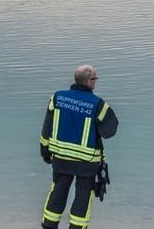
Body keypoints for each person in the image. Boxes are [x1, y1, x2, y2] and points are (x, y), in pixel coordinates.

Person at [39, 65, 119, 229]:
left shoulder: (57, 97)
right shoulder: (98, 104)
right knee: (83, 197)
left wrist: (45, 151)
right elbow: (110, 131)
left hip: (61, 158)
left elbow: (46, 128)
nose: (95, 82)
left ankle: (48, 225)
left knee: (58, 192)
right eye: (95, 79)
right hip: (87, 162)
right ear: (89, 81)